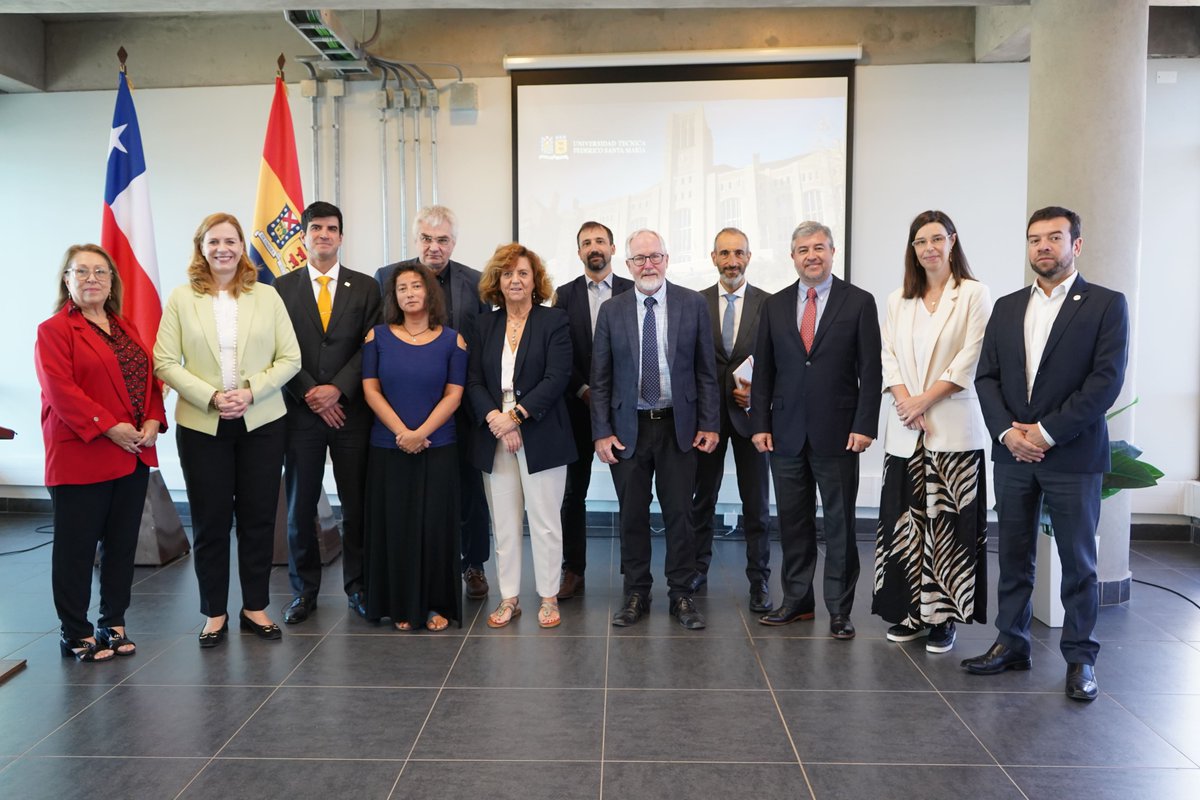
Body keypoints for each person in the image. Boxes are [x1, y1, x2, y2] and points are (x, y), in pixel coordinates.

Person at [962, 206, 1129, 702]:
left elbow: (1105, 382)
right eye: (1034, 239)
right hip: (1014, 453)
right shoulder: (1009, 306)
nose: (1042, 247)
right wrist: (1008, 434)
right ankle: (1011, 643)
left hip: (1072, 454)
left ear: (1076, 245)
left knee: (1079, 562)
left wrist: (1047, 432)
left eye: (1054, 238)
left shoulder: (1104, 304)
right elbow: (986, 376)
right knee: (1013, 555)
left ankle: (1080, 660)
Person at [154, 212, 301, 648]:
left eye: (231, 241)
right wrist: (214, 397)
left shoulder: (267, 297)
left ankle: (255, 607)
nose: (223, 249)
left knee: (258, 517)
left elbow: (290, 358)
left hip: (262, 422)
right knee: (211, 520)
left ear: (242, 247)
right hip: (203, 424)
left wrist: (251, 393)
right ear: (201, 248)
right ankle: (214, 612)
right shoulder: (182, 299)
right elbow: (164, 361)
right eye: (214, 241)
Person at [35, 244, 166, 662]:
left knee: (122, 545)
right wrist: (109, 426)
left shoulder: (125, 326)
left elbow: (147, 382)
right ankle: (75, 630)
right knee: (76, 549)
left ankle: (114, 621)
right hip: (82, 454)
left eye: (101, 272)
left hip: (132, 453)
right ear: (67, 280)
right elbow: (61, 391)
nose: (92, 278)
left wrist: (152, 421)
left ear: (112, 282)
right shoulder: (53, 330)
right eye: (82, 271)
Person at [751, 221, 881, 640]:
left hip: (840, 433)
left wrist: (865, 425)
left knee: (840, 524)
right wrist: (760, 425)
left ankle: (840, 610)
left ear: (832, 251)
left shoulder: (859, 302)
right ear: (793, 256)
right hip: (785, 432)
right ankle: (797, 601)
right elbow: (764, 371)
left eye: (819, 248)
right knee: (793, 522)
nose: (812, 255)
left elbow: (871, 371)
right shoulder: (773, 306)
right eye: (803, 249)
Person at [873, 211, 993, 654]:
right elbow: (888, 357)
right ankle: (909, 614)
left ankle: (942, 619)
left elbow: (970, 357)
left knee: (947, 526)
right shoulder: (897, 299)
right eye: (920, 241)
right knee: (905, 524)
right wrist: (906, 402)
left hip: (952, 428)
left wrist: (923, 402)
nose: (929, 248)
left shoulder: (974, 294)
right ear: (913, 249)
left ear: (952, 242)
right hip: (906, 430)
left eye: (937, 239)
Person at [592, 229, 720, 630]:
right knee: (632, 515)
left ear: (667, 259)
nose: (648, 265)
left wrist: (709, 423)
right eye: (639, 259)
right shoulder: (612, 311)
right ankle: (636, 592)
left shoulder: (693, 304)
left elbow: (706, 371)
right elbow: (600, 379)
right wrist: (601, 431)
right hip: (627, 428)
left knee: (680, 514)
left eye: (654, 257)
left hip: (677, 427)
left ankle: (681, 594)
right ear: (627, 265)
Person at [376, 205, 491, 600]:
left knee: (467, 491)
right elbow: (377, 339)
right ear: (416, 240)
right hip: (401, 408)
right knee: (406, 496)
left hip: (462, 406)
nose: (434, 247)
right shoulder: (388, 278)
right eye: (427, 238)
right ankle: (412, 570)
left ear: (454, 243)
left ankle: (473, 564)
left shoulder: (476, 283)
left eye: (442, 240)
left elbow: (483, 348)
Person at [275, 201, 382, 624]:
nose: (323, 234)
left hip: (351, 414)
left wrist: (337, 390)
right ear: (303, 236)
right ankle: (304, 592)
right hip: (300, 415)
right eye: (315, 228)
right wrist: (310, 394)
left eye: (331, 228)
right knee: (301, 506)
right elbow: (277, 349)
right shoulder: (281, 289)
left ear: (341, 236)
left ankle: (358, 587)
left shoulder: (366, 287)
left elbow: (370, 345)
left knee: (356, 505)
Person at [467, 244, 576, 628]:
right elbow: (474, 380)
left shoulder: (555, 321)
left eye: (523, 273)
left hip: (542, 431)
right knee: (504, 522)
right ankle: (509, 597)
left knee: (546, 520)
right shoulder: (484, 325)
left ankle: (548, 597)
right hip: (493, 432)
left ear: (535, 280)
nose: (515, 279)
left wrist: (515, 417)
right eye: (508, 273)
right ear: (498, 280)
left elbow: (557, 376)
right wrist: (497, 419)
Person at [362, 262, 467, 632]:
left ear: (429, 293)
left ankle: (435, 605)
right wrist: (402, 433)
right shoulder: (378, 337)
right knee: (395, 527)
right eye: (402, 288)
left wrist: (421, 431)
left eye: (415, 287)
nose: (409, 293)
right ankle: (400, 606)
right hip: (388, 447)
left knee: (434, 528)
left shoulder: (452, 339)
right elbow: (370, 390)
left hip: (438, 445)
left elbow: (454, 395)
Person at [689, 228, 773, 612]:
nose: (732, 260)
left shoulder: (769, 305)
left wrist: (758, 398)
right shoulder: (694, 304)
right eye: (724, 253)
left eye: (739, 252)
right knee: (701, 500)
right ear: (713, 257)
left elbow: (778, 366)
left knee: (756, 504)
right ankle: (697, 569)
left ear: (749, 257)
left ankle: (759, 581)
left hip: (752, 420)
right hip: (706, 419)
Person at [553, 222, 633, 600]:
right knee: (573, 494)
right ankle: (573, 569)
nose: (594, 247)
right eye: (586, 243)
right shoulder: (563, 295)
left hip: (625, 409)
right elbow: (558, 352)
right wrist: (583, 389)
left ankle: (634, 572)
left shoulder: (633, 290)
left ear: (613, 248)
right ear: (579, 252)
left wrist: (613, 395)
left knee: (632, 492)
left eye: (600, 241)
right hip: (576, 407)